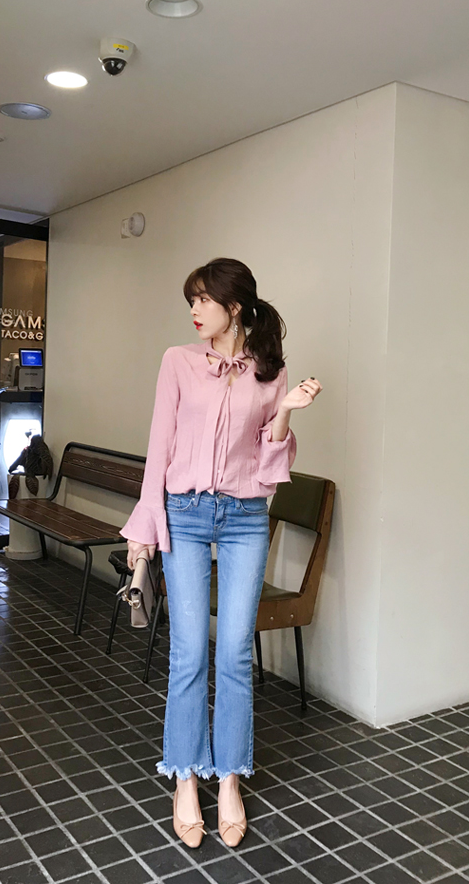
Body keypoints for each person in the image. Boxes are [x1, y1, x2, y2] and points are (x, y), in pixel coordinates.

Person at [119, 258, 322, 848]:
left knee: (233, 652)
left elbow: (268, 460)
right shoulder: (178, 361)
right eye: (192, 300)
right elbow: (159, 447)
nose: (194, 309)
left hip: (244, 518)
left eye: (203, 299)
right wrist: (145, 524)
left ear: (233, 307)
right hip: (183, 513)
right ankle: (185, 777)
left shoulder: (269, 371)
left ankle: (229, 778)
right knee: (188, 653)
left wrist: (286, 410)